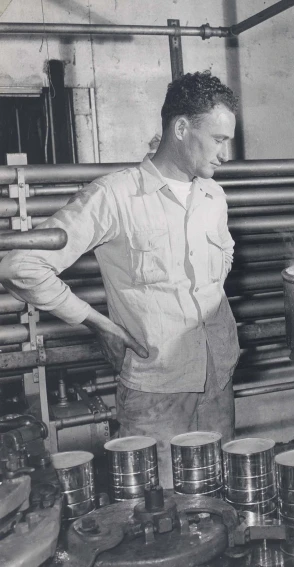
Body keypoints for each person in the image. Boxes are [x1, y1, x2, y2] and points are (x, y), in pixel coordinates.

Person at [0, 71, 241, 487]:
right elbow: (18, 265)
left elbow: (219, 269)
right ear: (181, 128)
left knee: (221, 500)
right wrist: (97, 323)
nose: (226, 153)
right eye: (219, 139)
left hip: (218, 376)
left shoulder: (212, 196)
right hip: (156, 390)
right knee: (161, 515)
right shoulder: (114, 197)